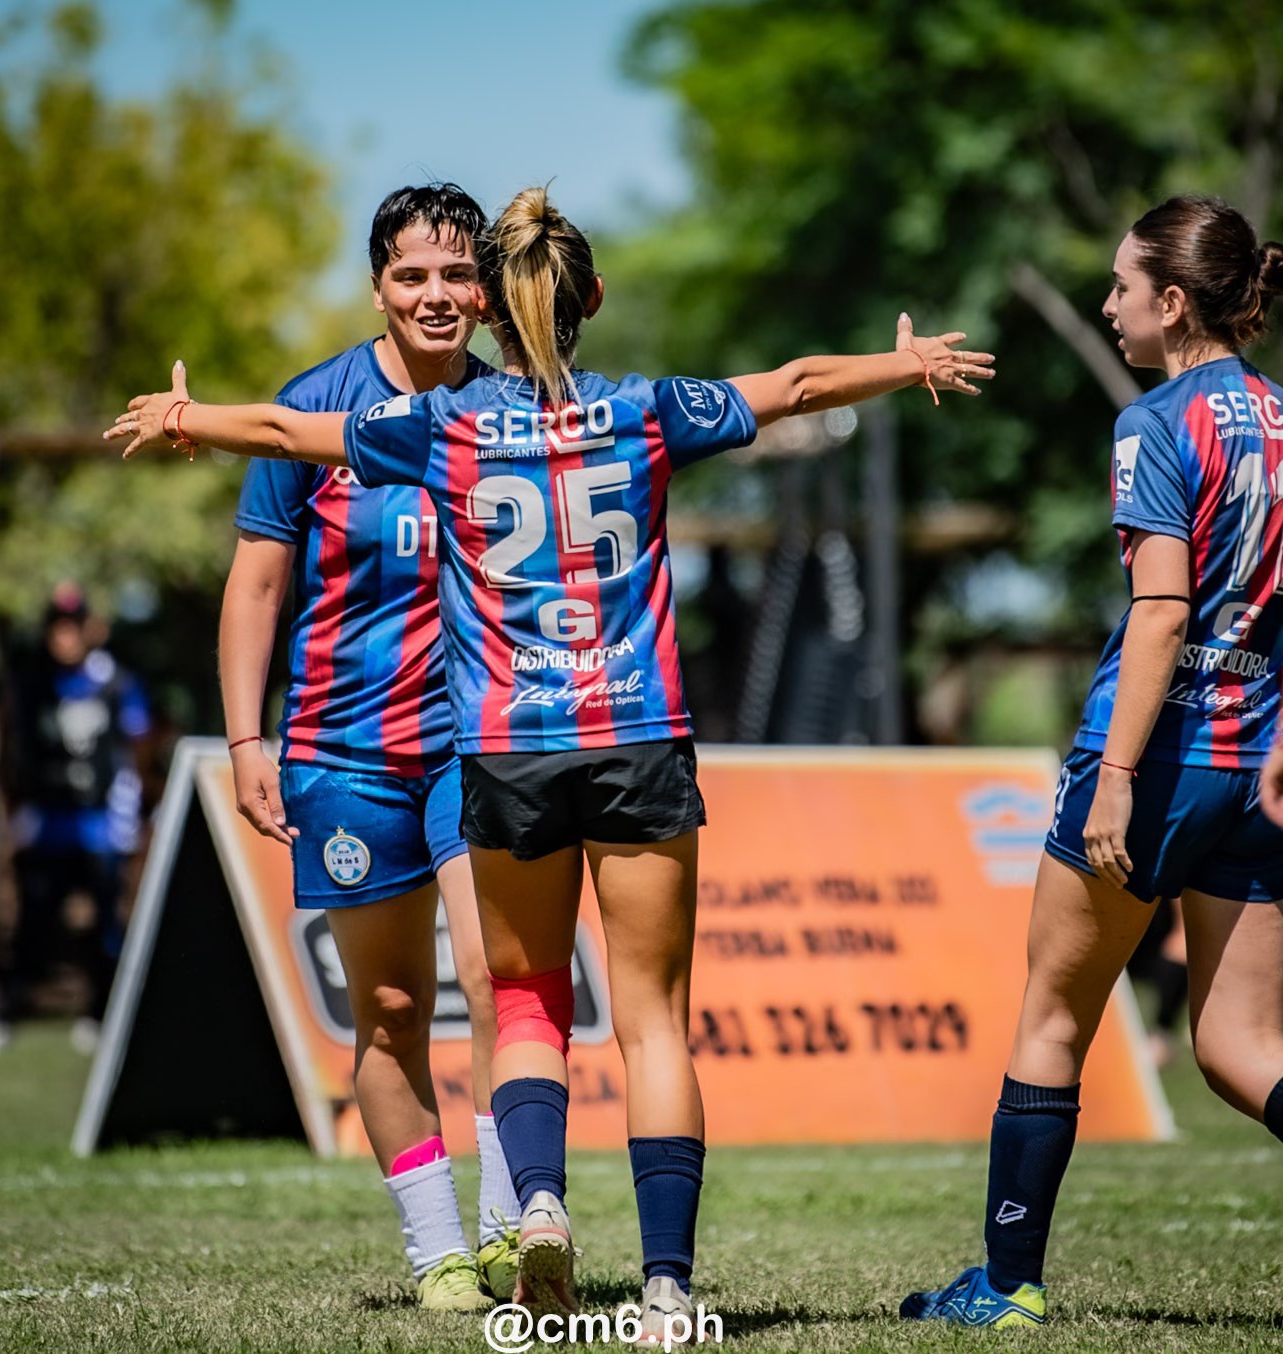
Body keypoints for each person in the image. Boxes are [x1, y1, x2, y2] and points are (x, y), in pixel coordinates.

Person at [105, 185, 992, 1336]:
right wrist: (902, 363)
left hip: (504, 749)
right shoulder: (648, 408)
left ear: (493, 301)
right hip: (624, 737)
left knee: (514, 997)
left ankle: (533, 1211)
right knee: (650, 1018)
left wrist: (189, 420)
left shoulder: (451, 427)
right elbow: (798, 386)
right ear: (592, 301)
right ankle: (664, 1281)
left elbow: (281, 436)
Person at [898, 194, 1283, 1329]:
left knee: (1052, 1014)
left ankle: (1005, 1287)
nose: (1106, 305)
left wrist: (1114, 775)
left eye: (1120, 286)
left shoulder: (1153, 421)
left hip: (1156, 761)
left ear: (1171, 302)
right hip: (1258, 765)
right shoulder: (1280, 417)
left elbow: (1160, 611)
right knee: (1237, 1045)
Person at [218, 183, 517, 1312]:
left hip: (480, 751)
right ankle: (436, 1250)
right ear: (378, 286)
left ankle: (506, 1231)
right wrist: (250, 736)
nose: (434, 296)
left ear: (483, 290)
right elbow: (257, 582)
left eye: (455, 275)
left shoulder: (518, 407)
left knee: (496, 982)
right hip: (342, 754)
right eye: (411, 275)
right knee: (389, 1009)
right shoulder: (312, 408)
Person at [0, 583, 151, 1056]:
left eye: (73, 626)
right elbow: (7, 746)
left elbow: (139, 744)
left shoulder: (115, 680)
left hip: (100, 823)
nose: (65, 636)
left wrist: (135, 810)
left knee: (105, 925)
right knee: (32, 921)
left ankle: (102, 1015)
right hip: (46, 820)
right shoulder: (31, 682)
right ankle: (3, 1014)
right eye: (57, 626)